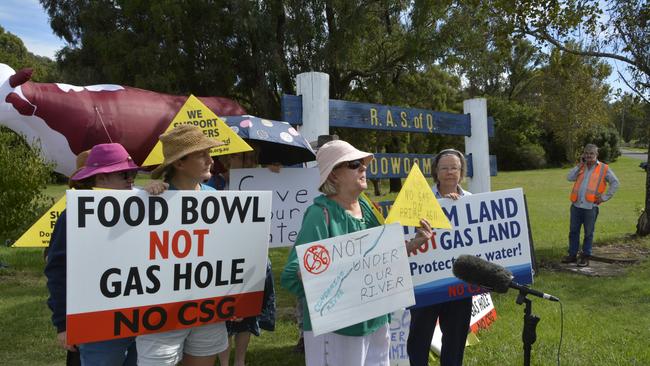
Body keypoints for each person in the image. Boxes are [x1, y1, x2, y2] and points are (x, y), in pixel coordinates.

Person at [281, 140, 431, 366]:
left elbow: (381, 253)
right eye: (353, 164)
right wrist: (338, 271)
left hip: (376, 318)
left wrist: (412, 244)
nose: (363, 167)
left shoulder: (367, 207)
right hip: (338, 328)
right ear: (333, 176)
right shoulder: (319, 215)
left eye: (362, 163)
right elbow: (294, 272)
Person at [137, 124, 229, 366]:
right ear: (179, 163)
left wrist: (236, 295)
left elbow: (227, 251)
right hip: (161, 312)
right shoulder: (153, 199)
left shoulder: (216, 197)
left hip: (208, 309)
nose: (211, 160)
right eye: (202, 154)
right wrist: (146, 197)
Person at [45, 143, 140, 366]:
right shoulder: (73, 217)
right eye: (124, 174)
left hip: (139, 323)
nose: (131, 179)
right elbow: (58, 271)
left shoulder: (140, 210)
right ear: (101, 178)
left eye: (133, 173)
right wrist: (63, 325)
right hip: (99, 328)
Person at [407, 148, 473, 366]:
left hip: (459, 282)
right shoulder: (419, 200)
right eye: (444, 168)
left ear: (461, 171)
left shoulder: (471, 201)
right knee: (419, 338)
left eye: (454, 167)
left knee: (455, 339)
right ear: (436, 171)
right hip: (427, 281)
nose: (449, 172)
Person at [211, 147, 277, 366]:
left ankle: (239, 360)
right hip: (222, 259)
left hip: (252, 257)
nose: (247, 161)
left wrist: (275, 174)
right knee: (224, 316)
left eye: (250, 157)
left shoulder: (260, 179)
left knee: (246, 314)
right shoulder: (214, 184)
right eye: (235, 156)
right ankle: (224, 361)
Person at [562, 143, 619, 267]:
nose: (588, 155)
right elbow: (569, 177)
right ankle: (572, 255)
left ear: (596, 154)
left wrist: (604, 197)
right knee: (573, 232)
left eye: (591, 153)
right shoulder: (581, 167)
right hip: (576, 206)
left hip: (590, 208)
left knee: (588, 233)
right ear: (584, 155)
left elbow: (615, 183)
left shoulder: (604, 168)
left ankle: (585, 257)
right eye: (586, 153)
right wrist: (579, 165)